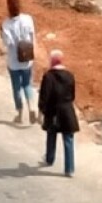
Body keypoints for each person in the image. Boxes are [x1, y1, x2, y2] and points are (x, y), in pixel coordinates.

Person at [38, 49, 79, 177]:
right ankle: (69, 168)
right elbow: (72, 95)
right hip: (67, 110)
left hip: (53, 111)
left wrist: (41, 111)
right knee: (68, 139)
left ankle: (50, 158)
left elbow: (44, 96)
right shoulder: (70, 75)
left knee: (51, 135)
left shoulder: (48, 76)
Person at [0, 0, 37, 124]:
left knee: (16, 87)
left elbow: (7, 43)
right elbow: (33, 36)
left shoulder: (6, 24)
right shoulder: (28, 19)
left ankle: (19, 113)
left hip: (14, 61)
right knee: (27, 84)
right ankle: (32, 107)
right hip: (27, 59)